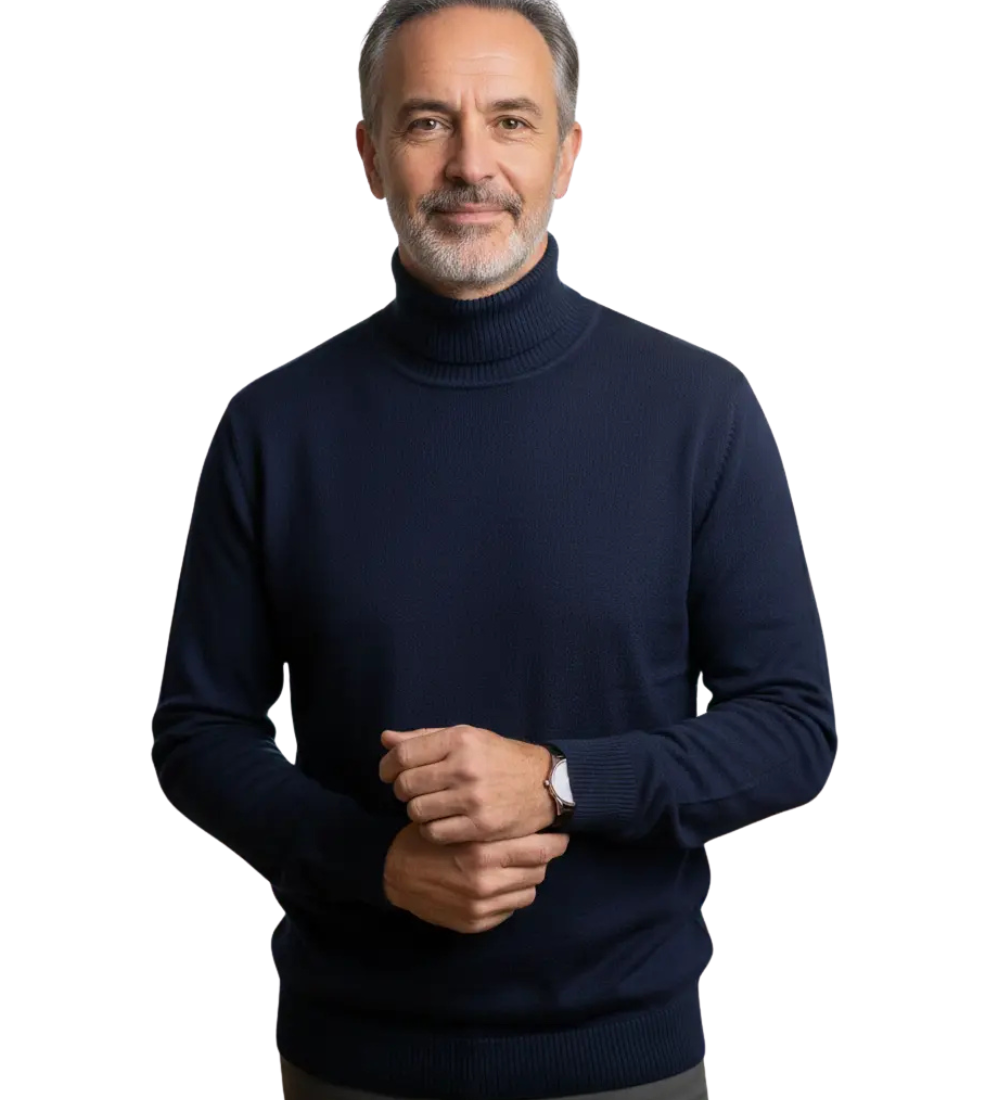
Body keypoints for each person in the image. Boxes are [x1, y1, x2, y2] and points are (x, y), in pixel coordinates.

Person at [150, 2, 837, 1098]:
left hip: (625, 1058)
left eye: (511, 121)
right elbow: (198, 731)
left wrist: (562, 782)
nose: (472, 163)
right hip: (350, 1059)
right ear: (371, 154)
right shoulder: (274, 428)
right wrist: (375, 865)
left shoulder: (697, 410)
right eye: (428, 121)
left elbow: (792, 727)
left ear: (567, 153)